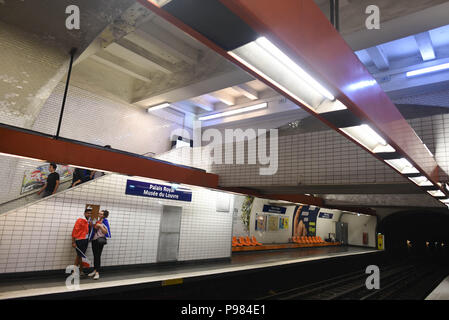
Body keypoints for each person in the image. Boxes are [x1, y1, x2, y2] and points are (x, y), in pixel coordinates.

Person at [88, 210, 111, 280]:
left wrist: (100, 226)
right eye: (99, 213)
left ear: (104, 215)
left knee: (98, 256)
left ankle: (97, 273)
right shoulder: (97, 220)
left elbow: (106, 231)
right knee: (95, 256)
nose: (99, 214)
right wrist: (94, 226)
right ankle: (95, 270)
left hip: (100, 241)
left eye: (101, 214)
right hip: (94, 240)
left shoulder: (105, 221)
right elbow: (94, 229)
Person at [71, 207, 93, 276]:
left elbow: (90, 231)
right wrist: (73, 241)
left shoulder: (89, 221)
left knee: (81, 256)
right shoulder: (80, 220)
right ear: (84, 213)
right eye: (88, 213)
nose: (89, 214)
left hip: (86, 240)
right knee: (79, 256)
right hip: (79, 240)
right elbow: (75, 230)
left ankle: (80, 271)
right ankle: (74, 271)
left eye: (90, 213)